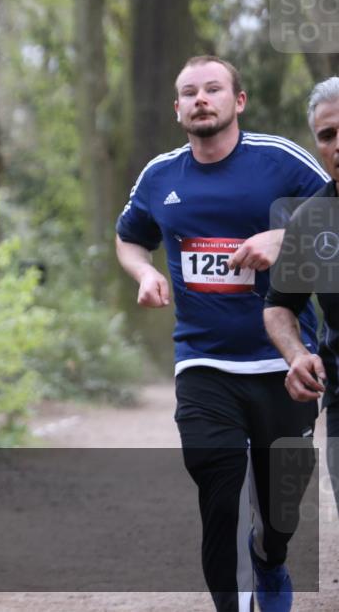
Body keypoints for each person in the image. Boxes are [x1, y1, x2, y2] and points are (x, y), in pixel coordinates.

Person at [114, 55, 330, 612]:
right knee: (218, 495)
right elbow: (130, 237)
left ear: (239, 101)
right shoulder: (160, 175)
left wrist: (283, 239)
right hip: (203, 363)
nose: (201, 99)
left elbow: (334, 209)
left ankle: (270, 559)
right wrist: (145, 273)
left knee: (280, 513)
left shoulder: (281, 161)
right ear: (177, 108)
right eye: (189, 93)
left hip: (283, 362)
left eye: (213, 89)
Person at [264, 76, 339, 511]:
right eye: (327, 136)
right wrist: (296, 355)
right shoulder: (310, 221)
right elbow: (279, 304)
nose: (338, 144)